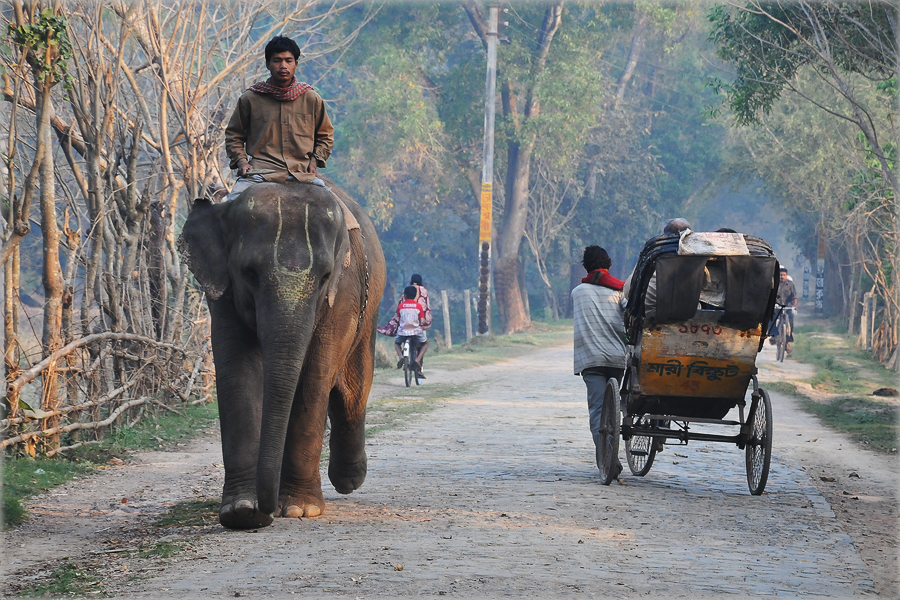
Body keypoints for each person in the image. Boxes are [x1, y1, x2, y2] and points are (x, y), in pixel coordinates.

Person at [224, 36, 334, 201]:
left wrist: (314, 161)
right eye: (277, 60)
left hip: (301, 173)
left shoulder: (311, 98)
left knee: (342, 218)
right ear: (268, 64)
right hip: (260, 174)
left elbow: (325, 135)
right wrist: (241, 162)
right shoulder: (250, 98)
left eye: (288, 60)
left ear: (295, 64)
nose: (283, 66)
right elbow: (234, 135)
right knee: (227, 210)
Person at [572, 246, 628, 480]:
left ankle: (606, 461)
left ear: (585, 266)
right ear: (608, 264)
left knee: (597, 411)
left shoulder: (577, 292)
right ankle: (611, 455)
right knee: (614, 408)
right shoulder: (620, 291)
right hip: (617, 359)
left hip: (591, 360)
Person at [621, 218, 692, 312]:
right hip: (684, 312)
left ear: (665, 234)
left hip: (644, 311)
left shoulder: (652, 253)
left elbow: (627, 292)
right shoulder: (694, 257)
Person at [393, 285, 428, 377]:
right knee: (425, 343)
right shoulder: (418, 306)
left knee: (397, 343)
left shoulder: (400, 306)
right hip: (415, 331)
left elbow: (399, 318)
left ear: (404, 295)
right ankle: (417, 359)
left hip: (403, 331)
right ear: (416, 296)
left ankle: (401, 356)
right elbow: (421, 320)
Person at [770, 266, 798, 351]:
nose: (782, 277)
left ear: (786, 275)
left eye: (784, 275)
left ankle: (787, 341)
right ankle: (773, 335)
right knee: (772, 318)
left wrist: (794, 306)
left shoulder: (790, 284)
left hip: (787, 307)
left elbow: (795, 296)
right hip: (776, 306)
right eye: (780, 275)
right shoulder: (774, 284)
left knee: (791, 321)